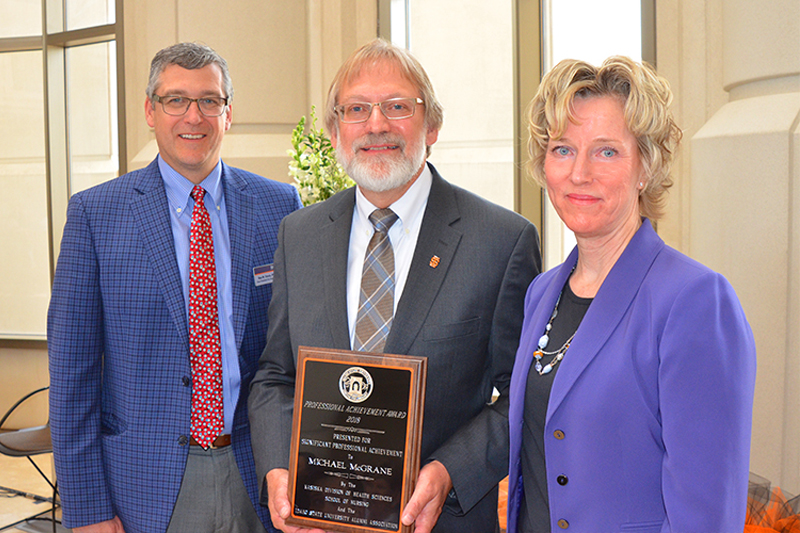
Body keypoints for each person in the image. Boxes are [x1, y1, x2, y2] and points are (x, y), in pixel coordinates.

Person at [248, 38, 541, 533]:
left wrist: (449, 472)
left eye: (398, 106)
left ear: (432, 125)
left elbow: (524, 392)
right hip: (320, 519)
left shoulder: (500, 241)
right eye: (356, 109)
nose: (376, 125)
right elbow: (276, 376)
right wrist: (278, 469)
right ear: (335, 132)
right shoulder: (299, 236)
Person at [48, 42, 302, 533]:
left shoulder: (280, 206)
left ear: (229, 113)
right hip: (145, 484)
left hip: (262, 475)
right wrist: (87, 508)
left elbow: (296, 349)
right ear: (151, 111)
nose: (194, 116)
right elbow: (72, 375)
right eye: (176, 100)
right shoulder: (95, 215)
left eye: (209, 100)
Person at [506, 56, 757, 533]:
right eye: (562, 149)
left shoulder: (695, 301)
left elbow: (706, 516)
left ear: (646, 166)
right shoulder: (541, 293)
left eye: (606, 152)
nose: (579, 172)